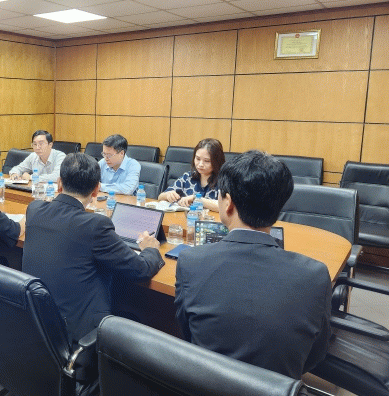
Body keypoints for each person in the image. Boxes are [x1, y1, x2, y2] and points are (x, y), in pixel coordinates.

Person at [174, 150, 332, 380]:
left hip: (204, 383)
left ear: (228, 203)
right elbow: (315, 354)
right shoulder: (315, 275)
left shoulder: (191, 262)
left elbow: (186, 333)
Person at [22, 152, 164, 344]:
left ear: (59, 183)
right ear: (96, 190)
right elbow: (141, 269)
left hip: (36, 322)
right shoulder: (95, 225)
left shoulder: (34, 209)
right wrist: (150, 248)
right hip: (78, 332)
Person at [158, 138, 225, 211]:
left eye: (207, 161)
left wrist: (196, 198)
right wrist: (168, 195)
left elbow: (225, 207)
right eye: (198, 159)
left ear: (217, 161)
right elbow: (160, 197)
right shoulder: (188, 177)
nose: (200, 164)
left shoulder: (223, 181)